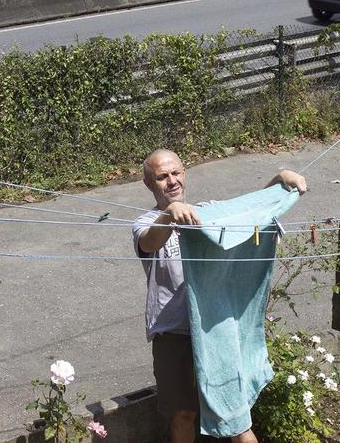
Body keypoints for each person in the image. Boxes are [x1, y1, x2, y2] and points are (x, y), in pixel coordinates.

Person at [132, 149, 308, 443]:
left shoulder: (208, 212)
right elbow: (149, 243)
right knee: (183, 414)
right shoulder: (144, 222)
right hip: (174, 332)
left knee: (235, 417)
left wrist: (279, 181)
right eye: (162, 177)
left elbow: (249, 211)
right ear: (148, 183)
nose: (171, 181)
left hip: (218, 329)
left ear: (184, 173)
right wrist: (168, 216)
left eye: (175, 173)